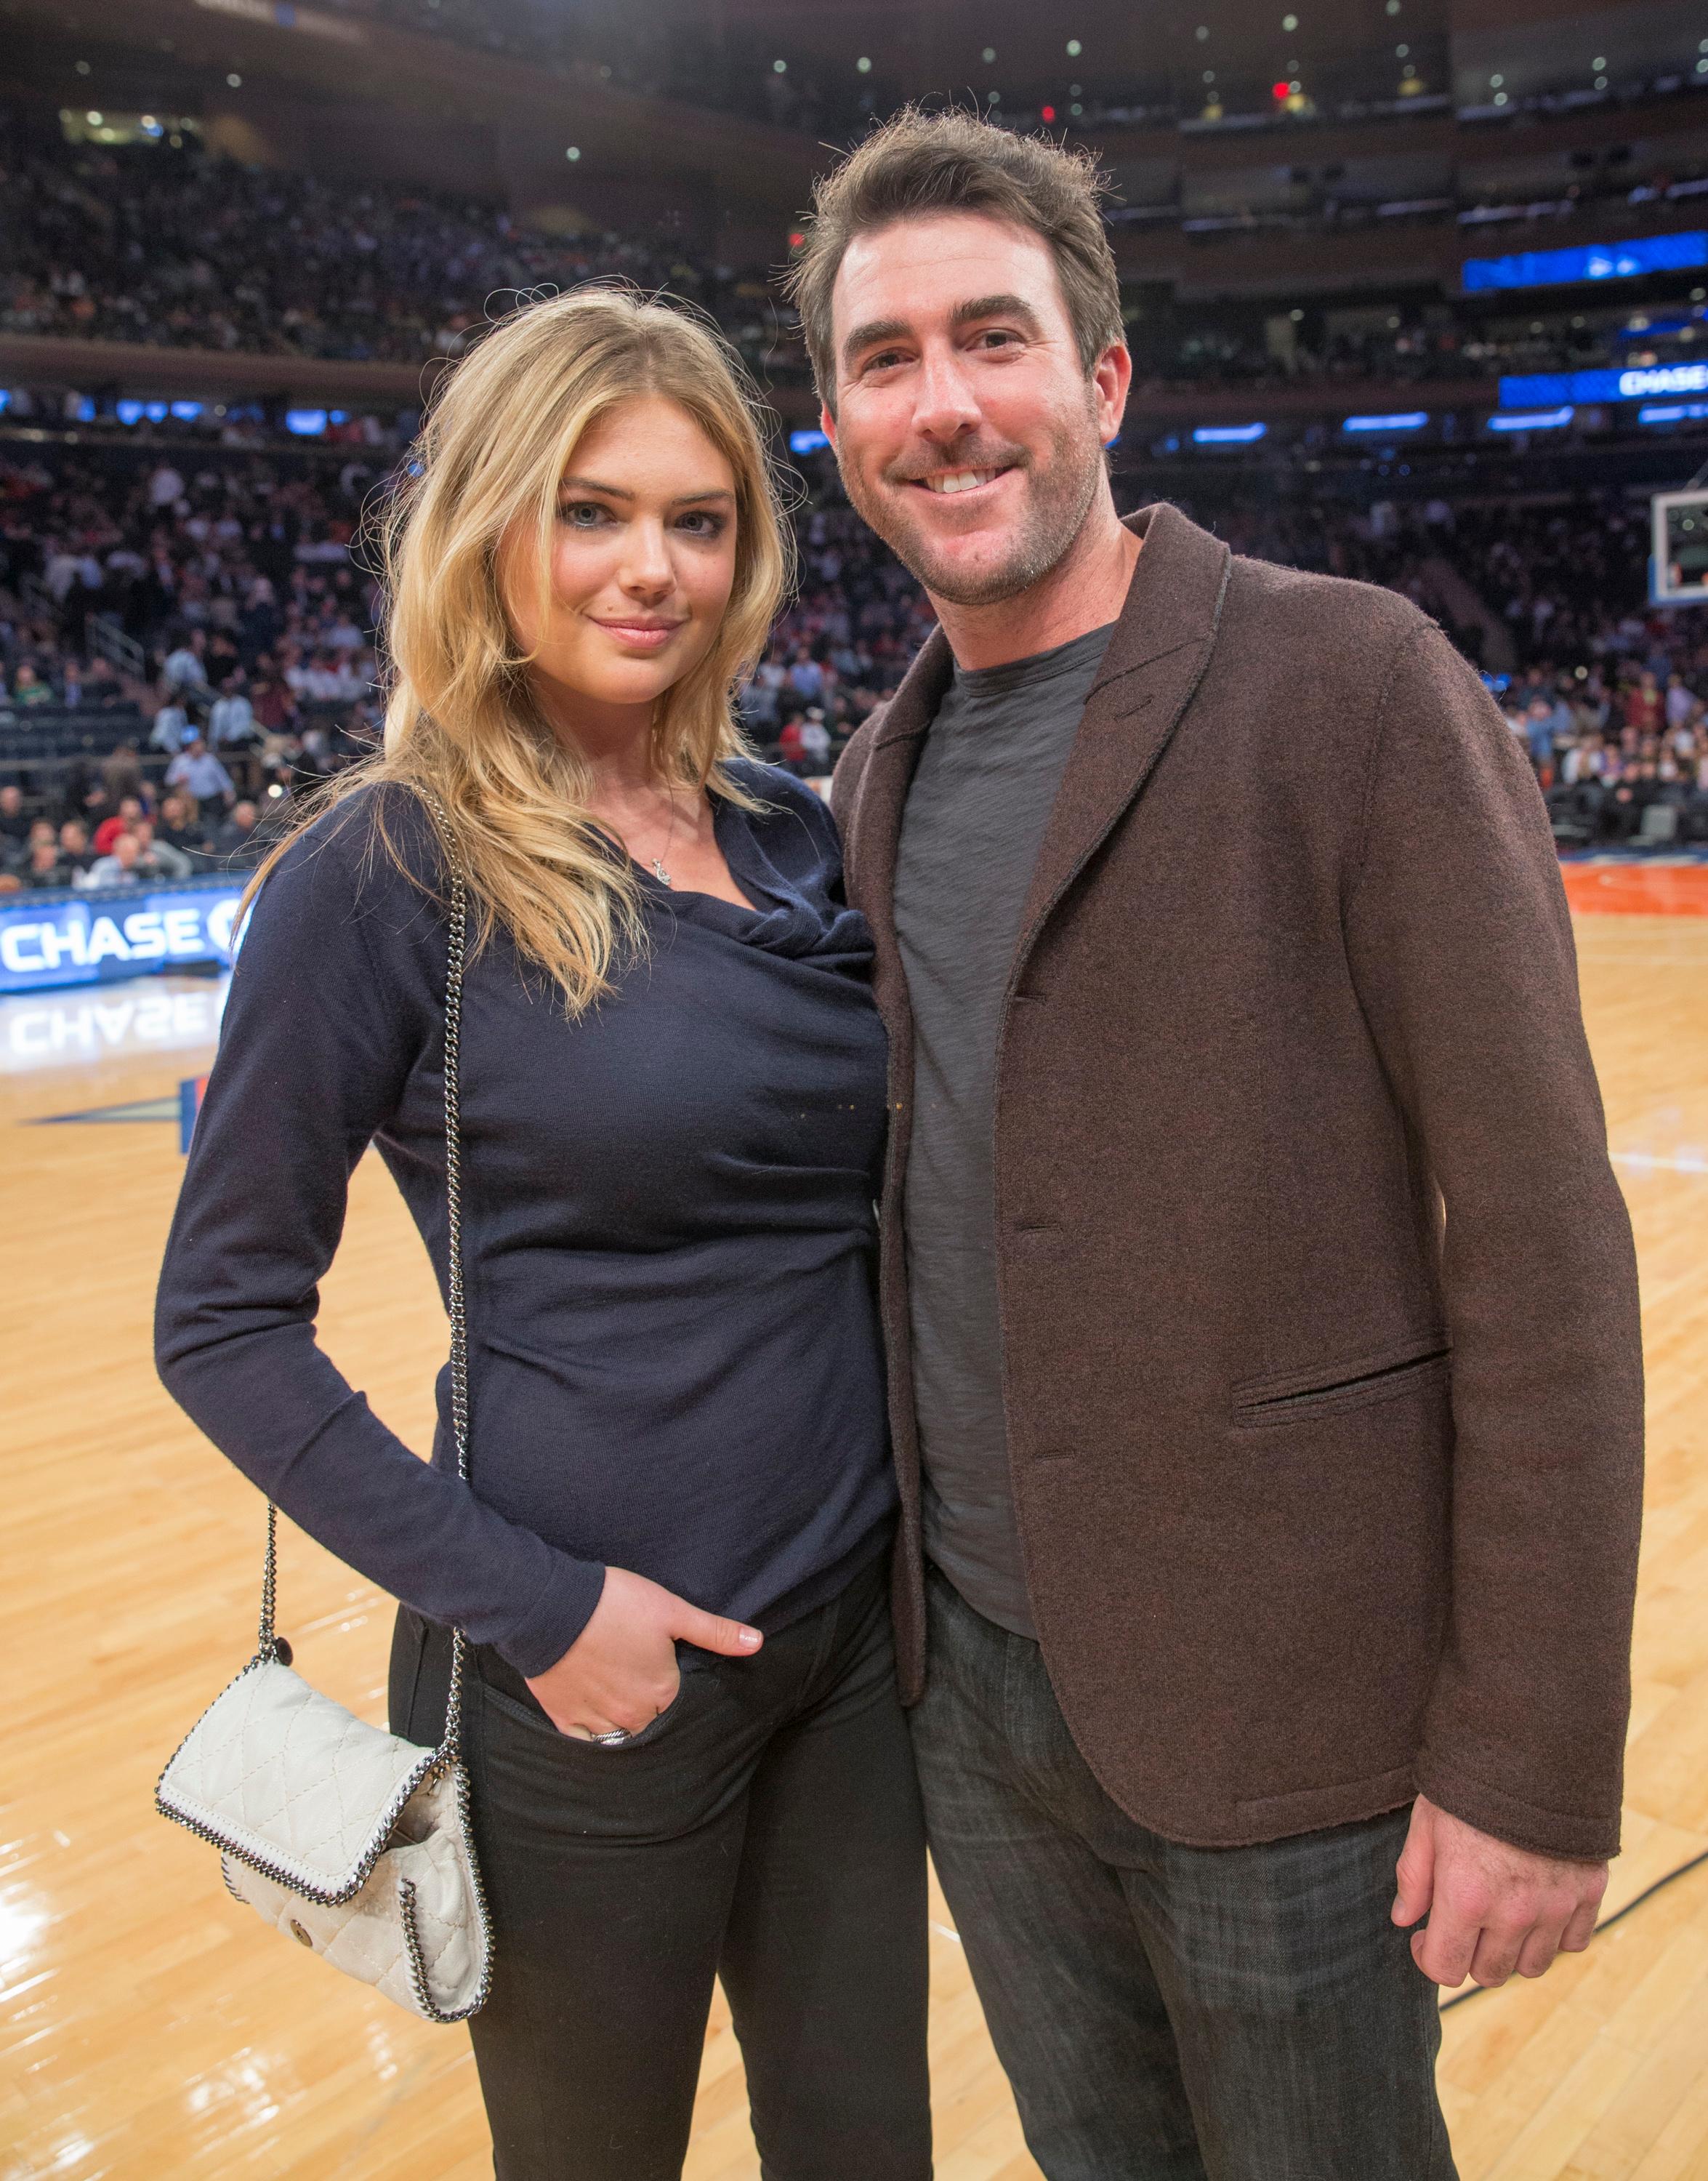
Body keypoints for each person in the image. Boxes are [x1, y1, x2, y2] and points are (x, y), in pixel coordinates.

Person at [789, 108, 1643, 2181]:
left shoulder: (1348, 682)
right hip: (978, 1705)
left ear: (1100, 381)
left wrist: (1528, 1762)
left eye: (992, 338)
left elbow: (1540, 1247)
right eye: (883, 359)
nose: (943, 403)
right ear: (835, 425)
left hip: (1290, 1711)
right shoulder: (870, 777)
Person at [154, 286, 930, 2181]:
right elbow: (221, 1325)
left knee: (869, 2152)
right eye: (592, 509)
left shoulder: (790, 832)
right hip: (586, 1691)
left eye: (698, 517)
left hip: (850, 1655)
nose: (650, 566)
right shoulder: (380, 870)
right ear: (490, 523)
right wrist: (549, 1613)